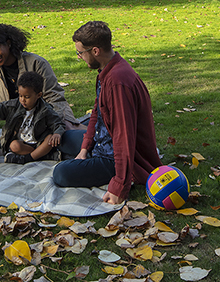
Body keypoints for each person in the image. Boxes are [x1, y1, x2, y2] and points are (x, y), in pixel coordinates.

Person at [52, 21, 160, 205]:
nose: (79, 57)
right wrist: (85, 148)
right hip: (102, 141)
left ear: (95, 51)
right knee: (66, 139)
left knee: (60, 174)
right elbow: (96, 113)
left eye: (80, 53)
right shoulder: (107, 70)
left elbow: (123, 136)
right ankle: (84, 158)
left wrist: (119, 185)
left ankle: (97, 168)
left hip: (114, 156)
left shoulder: (118, 82)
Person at [0, 24, 78, 136]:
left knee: (69, 139)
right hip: (17, 126)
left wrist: (58, 127)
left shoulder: (36, 63)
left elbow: (54, 97)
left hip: (43, 121)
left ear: (8, 43)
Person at [0, 71, 65, 163]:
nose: (22, 100)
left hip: (38, 143)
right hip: (21, 144)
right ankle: (43, 155)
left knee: (50, 138)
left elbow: (58, 123)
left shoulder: (45, 110)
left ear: (38, 95)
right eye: (20, 95)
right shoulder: (14, 105)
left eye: (27, 97)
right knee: (14, 145)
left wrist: (57, 134)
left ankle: (26, 159)